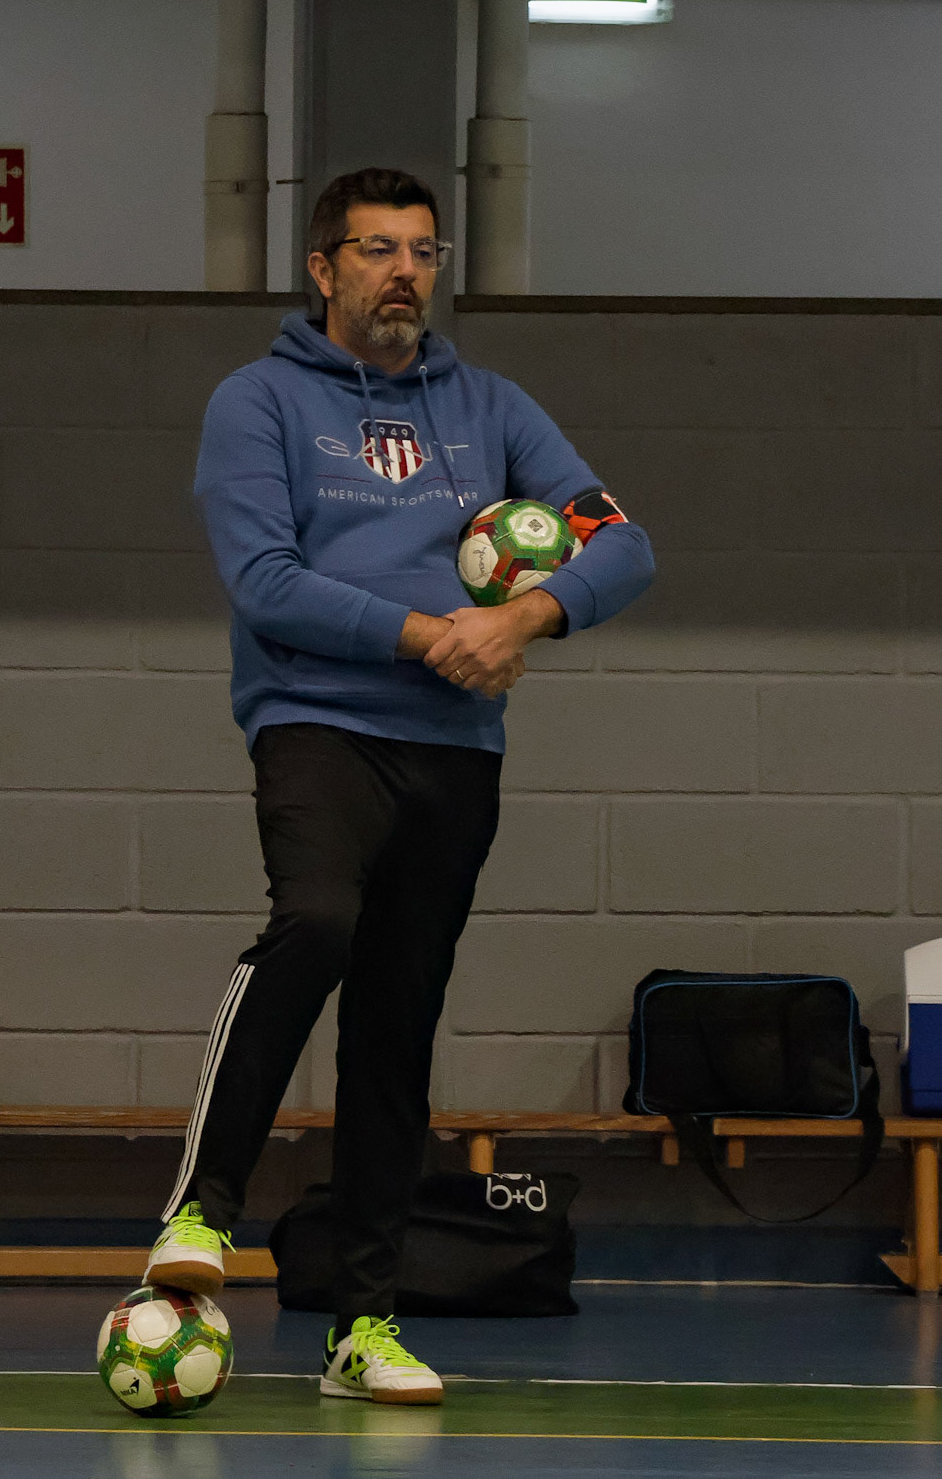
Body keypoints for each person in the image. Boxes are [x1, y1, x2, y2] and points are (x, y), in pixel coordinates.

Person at [144, 167, 654, 1405]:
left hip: (454, 753)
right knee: (315, 919)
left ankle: (361, 1329)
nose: (403, 273)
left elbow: (624, 544)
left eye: (422, 252)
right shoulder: (257, 401)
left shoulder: (489, 407)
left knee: (396, 1021)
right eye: (376, 250)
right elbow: (264, 581)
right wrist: (435, 636)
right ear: (322, 268)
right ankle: (202, 1208)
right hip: (317, 723)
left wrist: (524, 616)